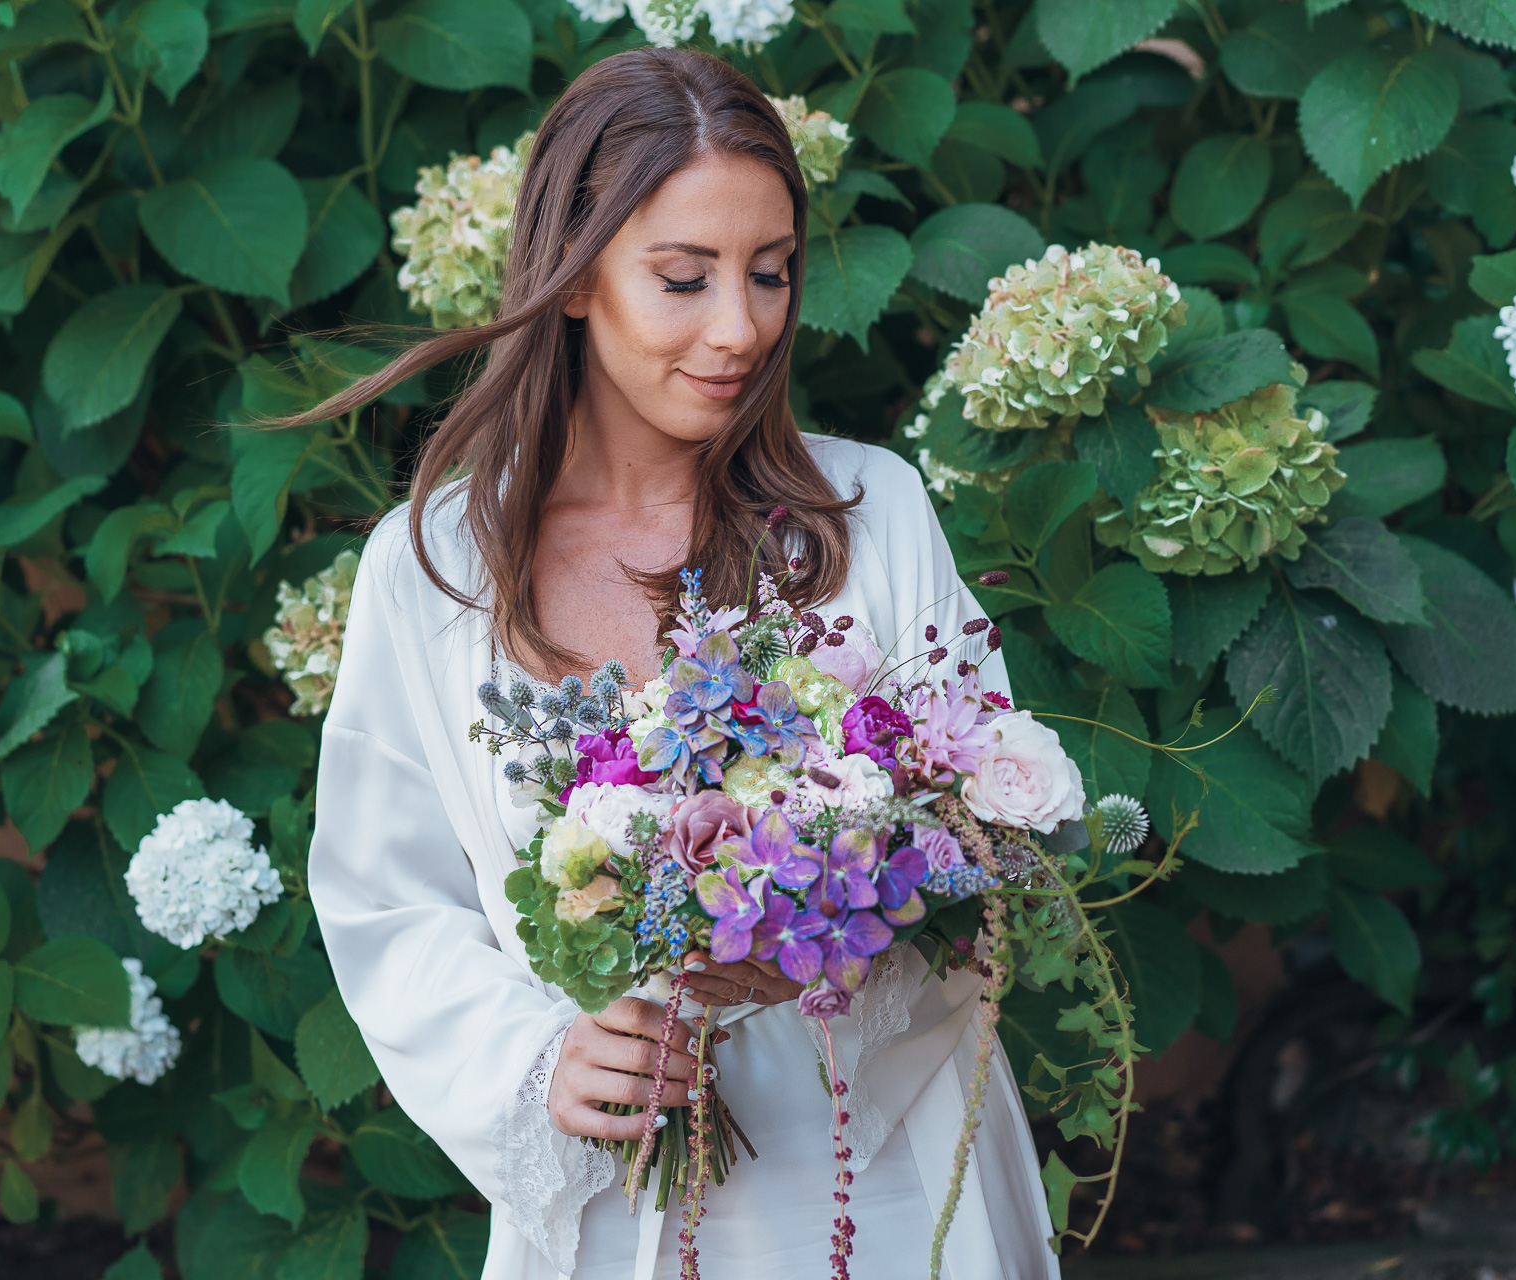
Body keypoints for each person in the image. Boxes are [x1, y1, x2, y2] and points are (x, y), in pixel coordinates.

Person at [306, 46, 1058, 1280]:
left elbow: (983, 835)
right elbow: (387, 899)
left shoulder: (872, 515)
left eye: (770, 274)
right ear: (571, 279)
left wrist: (845, 921)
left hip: (886, 1188)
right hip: (613, 1204)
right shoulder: (437, 569)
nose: (740, 327)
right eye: (683, 277)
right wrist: (539, 1058)